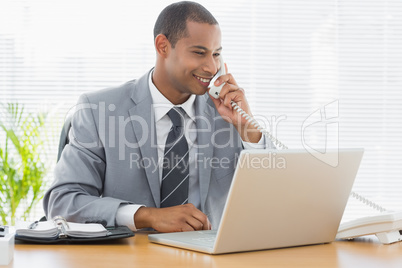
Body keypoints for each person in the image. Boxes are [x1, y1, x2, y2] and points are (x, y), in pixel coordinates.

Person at [43, 1, 269, 233]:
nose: (212, 67)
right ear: (162, 46)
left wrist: (248, 128)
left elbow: (272, 199)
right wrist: (146, 216)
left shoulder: (227, 113)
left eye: (217, 54)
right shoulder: (99, 110)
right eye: (199, 53)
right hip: (131, 256)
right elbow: (62, 202)